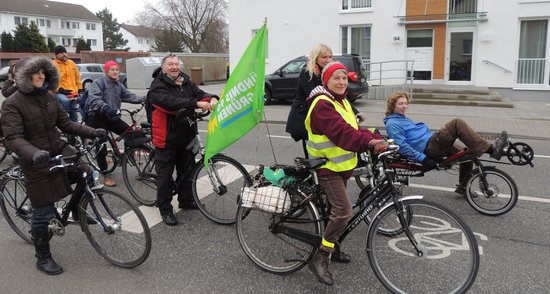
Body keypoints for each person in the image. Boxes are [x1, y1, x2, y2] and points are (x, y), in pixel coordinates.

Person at [0, 56, 106, 275]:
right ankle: (43, 257)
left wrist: (91, 131)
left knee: (86, 172)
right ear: (24, 76)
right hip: (35, 158)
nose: (41, 76)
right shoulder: (12, 103)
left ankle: (78, 211)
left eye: (44, 73)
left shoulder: (49, 97)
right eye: (36, 73)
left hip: (57, 149)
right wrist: (33, 153)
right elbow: (13, 138)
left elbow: (65, 123)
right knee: (44, 210)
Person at [304, 62, 386, 285]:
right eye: (336, 78)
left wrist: (375, 135)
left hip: (341, 166)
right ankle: (321, 256)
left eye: (344, 78)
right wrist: (369, 142)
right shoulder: (322, 104)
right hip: (327, 165)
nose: (341, 82)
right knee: (343, 212)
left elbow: (353, 128)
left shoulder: (341, 101)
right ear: (326, 81)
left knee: (335, 210)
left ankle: (333, 247)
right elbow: (342, 134)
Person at [383, 91, 509, 194]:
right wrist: (424, 160)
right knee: (456, 123)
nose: (404, 106)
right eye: (400, 104)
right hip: (429, 148)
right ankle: (493, 150)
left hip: (432, 141)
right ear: (392, 105)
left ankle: (463, 187)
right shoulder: (392, 124)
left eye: (405, 103)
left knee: (468, 153)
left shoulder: (403, 119)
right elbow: (402, 146)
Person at [147, 54, 218, 226]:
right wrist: (196, 104)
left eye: (177, 64)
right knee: (164, 177)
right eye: (170, 64)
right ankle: (165, 209)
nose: (174, 67)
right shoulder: (157, 85)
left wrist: (212, 98)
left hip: (186, 135)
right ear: (163, 67)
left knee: (187, 171)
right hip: (166, 138)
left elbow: (199, 93)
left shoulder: (185, 80)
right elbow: (169, 103)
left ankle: (185, 200)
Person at [286, 44, 366, 155]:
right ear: (316, 58)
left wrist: (356, 112)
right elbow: (316, 95)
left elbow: (340, 96)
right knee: (313, 151)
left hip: (318, 115)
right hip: (304, 116)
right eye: (324, 57)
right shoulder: (307, 72)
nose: (328, 60)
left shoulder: (328, 72)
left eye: (330, 57)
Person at [85, 60, 146, 187]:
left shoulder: (119, 85)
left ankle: (128, 156)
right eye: (112, 69)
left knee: (130, 133)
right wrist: (107, 108)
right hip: (98, 117)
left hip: (112, 117)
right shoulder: (98, 83)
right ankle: (105, 174)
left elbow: (130, 97)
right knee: (101, 146)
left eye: (117, 69)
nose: (115, 72)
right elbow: (94, 100)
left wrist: (146, 98)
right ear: (106, 71)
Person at [52, 45, 82, 122]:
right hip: (59, 92)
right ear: (56, 55)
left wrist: (80, 89)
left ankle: (74, 130)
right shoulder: (53, 65)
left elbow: (77, 77)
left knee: (74, 110)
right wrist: (60, 90)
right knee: (66, 101)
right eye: (61, 52)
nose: (64, 54)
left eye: (65, 52)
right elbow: (51, 80)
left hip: (72, 92)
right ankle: (61, 119)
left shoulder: (71, 63)